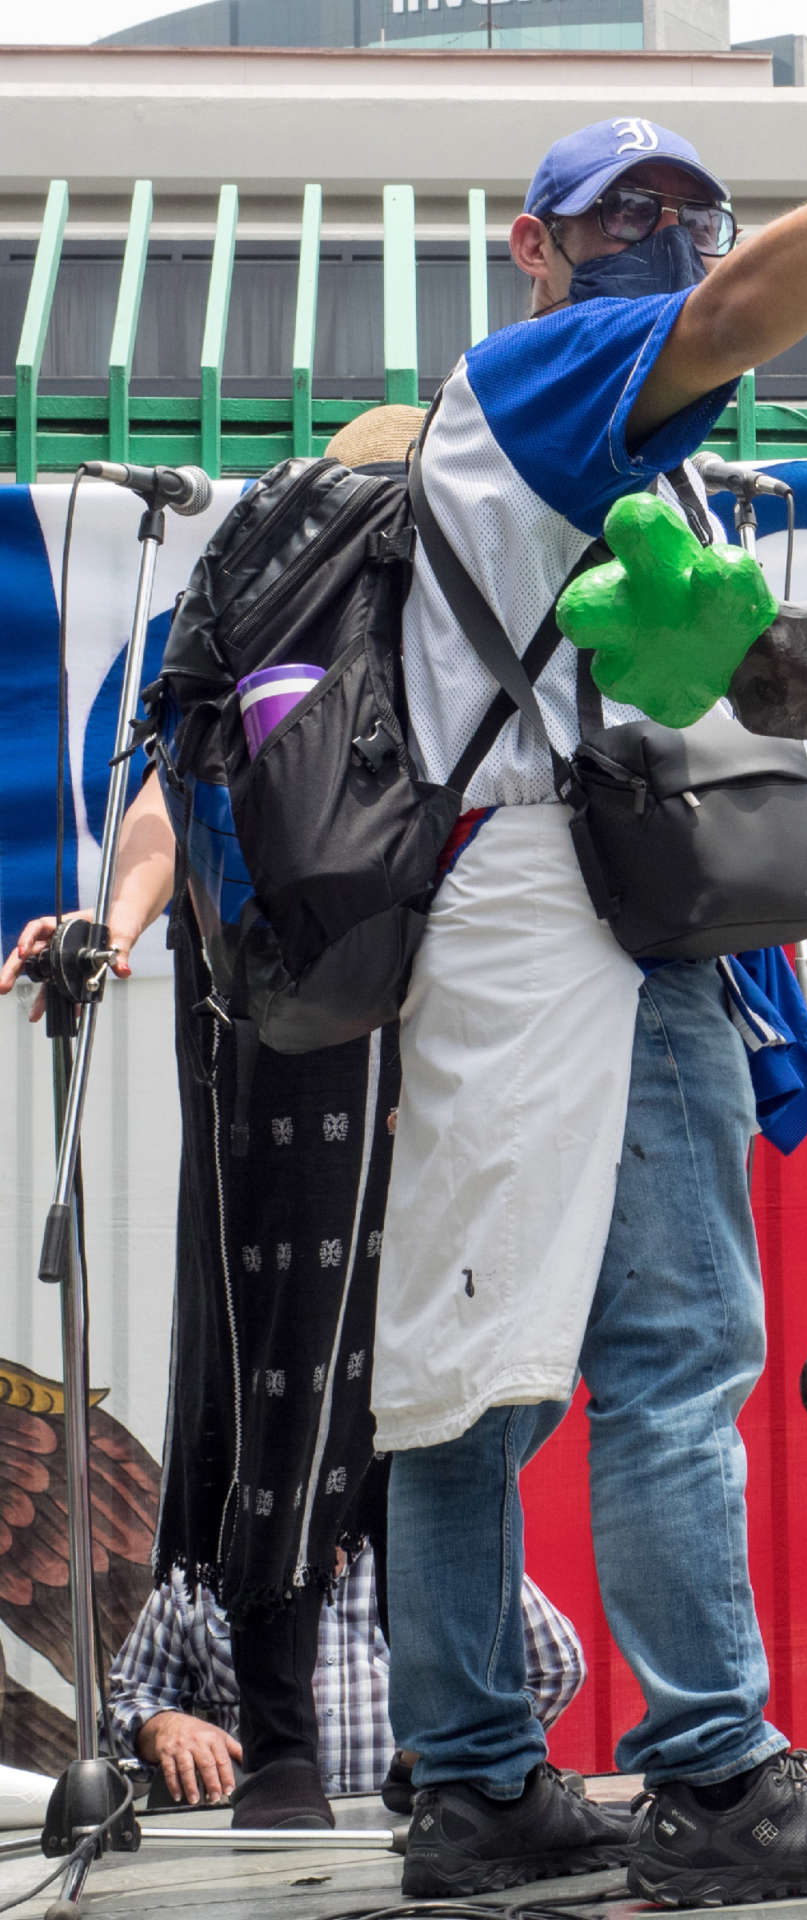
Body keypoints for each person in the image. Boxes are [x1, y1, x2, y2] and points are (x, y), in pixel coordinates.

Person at [372, 34, 807, 1906]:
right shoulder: (554, 364)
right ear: (533, 245)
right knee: (666, 1351)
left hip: (514, 917)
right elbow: (747, 308)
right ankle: (722, 1776)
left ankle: (484, 1791)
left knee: (480, 1375)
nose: (663, 238)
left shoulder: (546, 433)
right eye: (620, 214)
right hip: (543, 920)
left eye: (688, 208)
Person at [0, 404, 427, 1833]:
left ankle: (454, 1727)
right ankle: (288, 1729)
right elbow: (166, 806)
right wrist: (117, 934)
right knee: (268, 1371)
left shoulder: (463, 618)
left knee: (427, 1370)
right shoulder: (260, 604)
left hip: (431, 1040)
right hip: (271, 1033)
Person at [109, 1547, 582, 1810]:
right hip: (252, 1837)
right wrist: (166, 1726)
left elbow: (555, 1664)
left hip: (413, 1827)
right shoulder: (205, 1571)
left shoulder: (431, 1551)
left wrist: (462, 1751)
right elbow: (129, 1696)